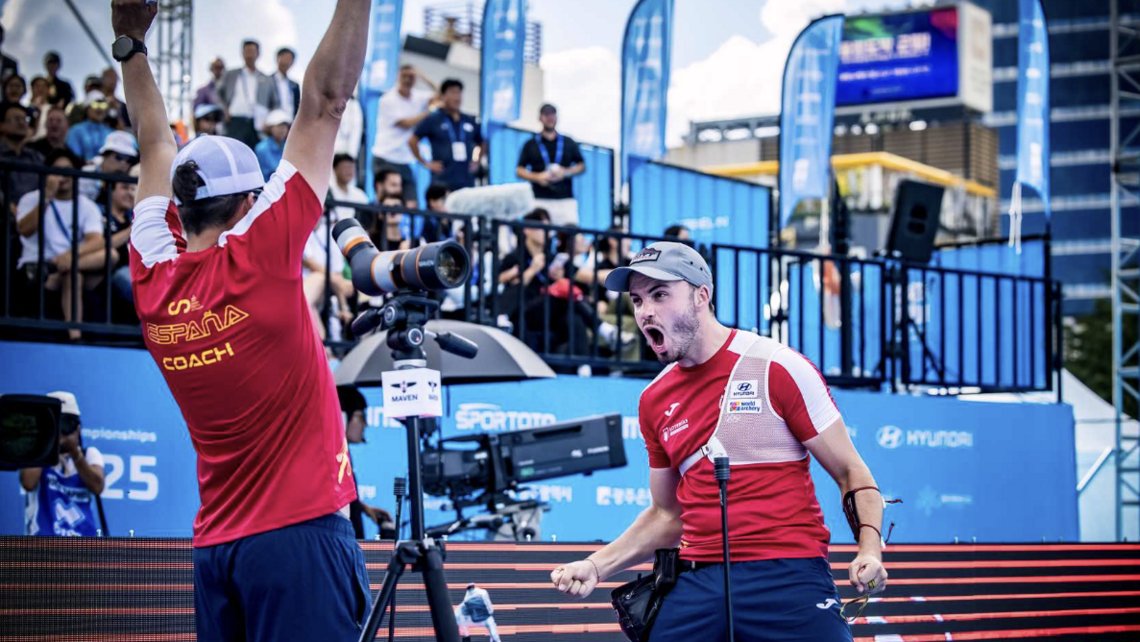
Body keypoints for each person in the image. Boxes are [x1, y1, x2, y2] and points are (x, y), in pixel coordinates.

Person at [114, 0, 372, 638]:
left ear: (183, 207)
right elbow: (327, 101)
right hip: (300, 542)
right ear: (249, 204)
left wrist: (129, 45)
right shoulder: (261, 249)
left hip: (216, 552)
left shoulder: (151, 276)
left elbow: (152, 142)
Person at [549, 241, 889, 641]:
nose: (645, 312)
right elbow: (665, 515)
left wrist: (870, 550)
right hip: (699, 578)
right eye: (638, 300)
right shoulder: (653, 400)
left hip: (789, 573)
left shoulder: (777, 366)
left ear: (701, 296)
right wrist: (596, 566)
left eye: (659, 295)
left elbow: (852, 472)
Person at [16, 149, 110, 340]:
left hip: (68, 264)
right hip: (37, 267)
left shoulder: (86, 205)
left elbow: (95, 240)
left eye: (68, 169)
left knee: (108, 256)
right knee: (74, 273)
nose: (63, 175)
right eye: (57, 170)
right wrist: (47, 197)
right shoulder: (31, 198)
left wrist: (69, 257)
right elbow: (24, 229)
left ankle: (75, 334)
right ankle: (75, 335)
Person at [20, 391, 105, 537]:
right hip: (43, 548)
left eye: (67, 423)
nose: (61, 430)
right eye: (56, 423)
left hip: (81, 548)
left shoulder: (89, 455)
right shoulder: (37, 454)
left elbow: (97, 486)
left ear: (77, 429)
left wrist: (75, 453)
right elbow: (28, 483)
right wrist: (45, 442)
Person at [372, 64, 437, 207]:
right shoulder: (387, 99)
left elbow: (440, 94)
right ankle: (376, 228)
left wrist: (423, 76)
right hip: (385, 156)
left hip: (404, 160)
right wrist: (429, 111)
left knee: (412, 203)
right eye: (405, 76)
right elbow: (405, 123)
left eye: (411, 77)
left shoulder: (418, 96)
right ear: (398, 78)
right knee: (385, 201)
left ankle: (408, 230)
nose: (408, 80)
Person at [409, 78, 484, 191]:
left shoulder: (470, 120)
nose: (457, 97)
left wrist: (476, 160)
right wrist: (425, 163)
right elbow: (413, 140)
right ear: (443, 96)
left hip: (466, 181)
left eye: (459, 93)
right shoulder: (433, 119)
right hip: (442, 181)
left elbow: (483, 142)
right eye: (453, 92)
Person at [516, 104, 585, 227]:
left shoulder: (568, 142)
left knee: (570, 237)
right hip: (540, 198)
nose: (550, 118)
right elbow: (519, 169)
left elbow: (581, 165)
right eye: (546, 114)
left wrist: (565, 172)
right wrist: (537, 177)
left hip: (565, 199)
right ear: (540, 118)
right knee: (537, 235)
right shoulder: (531, 144)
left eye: (552, 114)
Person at [217, 39, 279, 149]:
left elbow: (274, 103)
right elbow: (217, 94)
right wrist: (224, 110)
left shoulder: (266, 79)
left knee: (254, 154)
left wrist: (269, 121)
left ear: (258, 54)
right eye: (247, 51)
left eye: (252, 51)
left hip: (257, 124)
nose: (250, 55)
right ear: (242, 53)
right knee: (233, 150)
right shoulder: (231, 74)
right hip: (235, 121)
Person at [0, 102, 45, 204]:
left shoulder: (36, 157)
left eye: (25, 119)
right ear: (2, 125)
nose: (22, 123)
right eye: (16, 119)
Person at [66, 92, 114, 162]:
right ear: (87, 108)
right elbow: (72, 157)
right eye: (95, 105)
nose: (99, 109)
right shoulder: (76, 130)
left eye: (103, 105)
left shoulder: (111, 133)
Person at [329, 153, 368, 221]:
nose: (349, 171)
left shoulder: (360, 194)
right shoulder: (328, 192)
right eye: (345, 167)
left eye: (352, 167)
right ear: (335, 170)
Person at [254, 109, 290, 181]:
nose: (282, 129)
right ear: (270, 128)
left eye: (285, 126)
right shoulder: (262, 148)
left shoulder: (288, 146)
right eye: (279, 126)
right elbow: (276, 170)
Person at [273, 47, 300, 119]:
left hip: (290, 123)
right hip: (272, 123)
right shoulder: (267, 81)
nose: (286, 62)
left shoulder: (294, 85)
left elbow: (297, 106)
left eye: (289, 60)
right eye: (284, 58)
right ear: (278, 58)